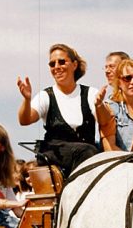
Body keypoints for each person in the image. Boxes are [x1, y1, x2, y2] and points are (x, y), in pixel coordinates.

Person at [16, 43, 102, 177]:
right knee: (87, 151)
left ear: (74, 65)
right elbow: (25, 120)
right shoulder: (46, 96)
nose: (57, 67)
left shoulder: (91, 93)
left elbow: (104, 121)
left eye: (62, 62)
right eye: (52, 64)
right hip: (54, 154)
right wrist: (27, 100)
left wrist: (101, 107)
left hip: (88, 154)